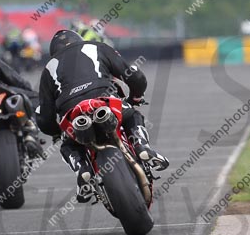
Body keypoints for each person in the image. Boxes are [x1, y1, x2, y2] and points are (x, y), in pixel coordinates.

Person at [36, 30, 169, 202]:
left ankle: (82, 170)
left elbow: (44, 115)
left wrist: (55, 132)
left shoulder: (48, 68)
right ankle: (141, 146)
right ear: (79, 40)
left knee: (68, 144)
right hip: (104, 99)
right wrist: (136, 96)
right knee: (132, 115)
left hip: (72, 111)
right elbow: (133, 75)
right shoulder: (97, 47)